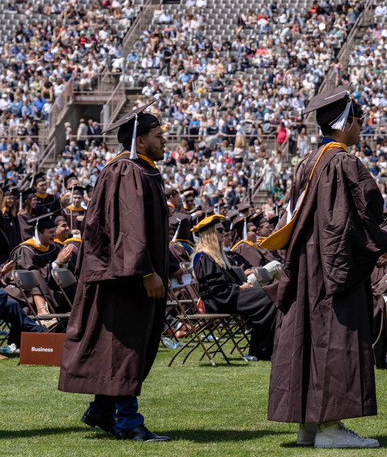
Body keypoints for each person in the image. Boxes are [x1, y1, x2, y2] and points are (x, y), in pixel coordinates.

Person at [261, 86, 387, 449]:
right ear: (345, 121)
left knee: (307, 337)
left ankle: (308, 424)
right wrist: (385, 241)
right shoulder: (343, 162)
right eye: (358, 120)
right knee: (333, 339)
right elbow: (360, 214)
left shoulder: (308, 162)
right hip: (332, 268)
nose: (361, 126)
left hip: (306, 266)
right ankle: (331, 426)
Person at [58, 101, 172, 442]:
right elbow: (129, 229)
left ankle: (103, 409)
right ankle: (128, 422)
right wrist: (146, 272)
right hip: (121, 278)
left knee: (119, 345)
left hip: (125, 274)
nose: (163, 141)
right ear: (139, 140)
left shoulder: (139, 169)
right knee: (124, 347)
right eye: (157, 135)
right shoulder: (126, 171)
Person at [190, 214, 278, 361]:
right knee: (267, 297)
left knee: (268, 295)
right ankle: (260, 350)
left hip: (228, 295)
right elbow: (216, 289)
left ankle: (262, 350)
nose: (223, 232)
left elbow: (226, 282)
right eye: (219, 230)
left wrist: (242, 286)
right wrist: (240, 289)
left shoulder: (217, 255)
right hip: (218, 300)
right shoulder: (204, 257)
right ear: (210, 234)